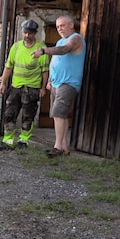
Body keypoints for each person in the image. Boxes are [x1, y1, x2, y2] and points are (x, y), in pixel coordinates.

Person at [31, 15, 86, 158]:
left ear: (71, 25)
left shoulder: (76, 39)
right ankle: (65, 147)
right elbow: (55, 62)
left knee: (57, 113)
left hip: (68, 83)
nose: (59, 29)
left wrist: (43, 51)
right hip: (56, 83)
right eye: (57, 27)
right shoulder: (60, 41)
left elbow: (64, 50)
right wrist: (49, 80)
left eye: (62, 25)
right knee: (60, 115)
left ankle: (57, 147)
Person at [0, 19, 49, 151]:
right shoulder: (16, 46)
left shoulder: (41, 48)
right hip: (15, 87)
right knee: (9, 114)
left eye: (30, 33)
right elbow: (8, 67)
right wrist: (3, 83)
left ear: (35, 33)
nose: (27, 36)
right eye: (25, 33)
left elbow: (45, 70)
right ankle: (8, 141)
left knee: (28, 115)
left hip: (32, 88)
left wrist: (43, 88)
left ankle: (24, 141)